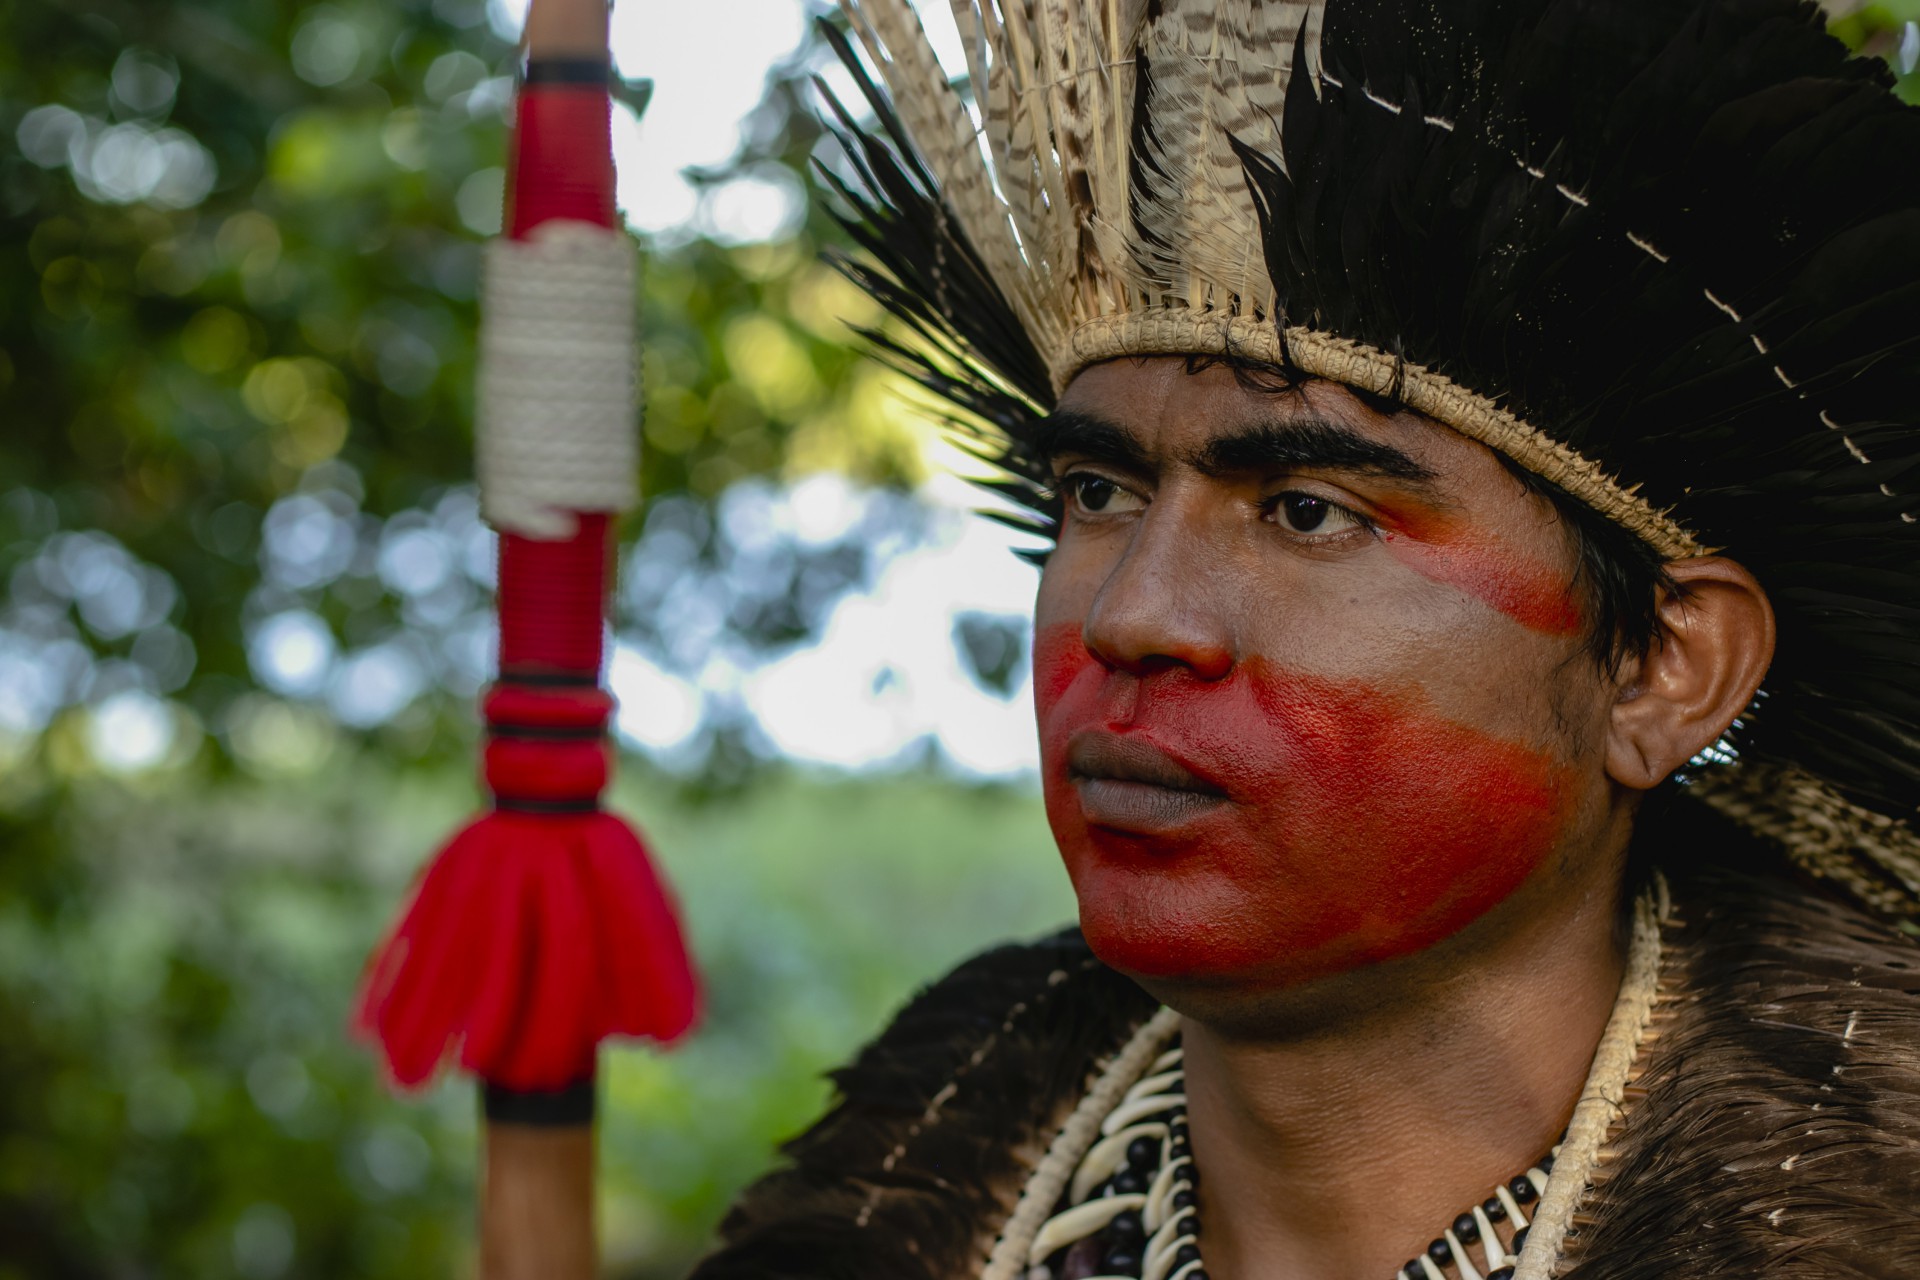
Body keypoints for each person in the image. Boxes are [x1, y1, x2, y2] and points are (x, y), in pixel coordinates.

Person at [690, 0, 1920, 1277]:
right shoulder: (914, 1192)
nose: (1132, 615)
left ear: (1668, 668)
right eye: (1099, 491)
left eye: (1309, 511)